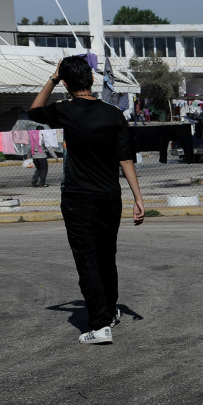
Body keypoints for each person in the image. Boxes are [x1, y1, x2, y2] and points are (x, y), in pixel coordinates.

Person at [28, 55, 146, 345]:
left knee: (87, 261)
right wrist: (138, 198)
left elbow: (34, 111)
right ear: (92, 79)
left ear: (67, 83)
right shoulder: (113, 114)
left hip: (78, 198)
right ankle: (110, 311)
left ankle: (100, 324)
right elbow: (125, 158)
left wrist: (53, 78)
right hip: (109, 197)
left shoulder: (65, 110)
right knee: (107, 257)